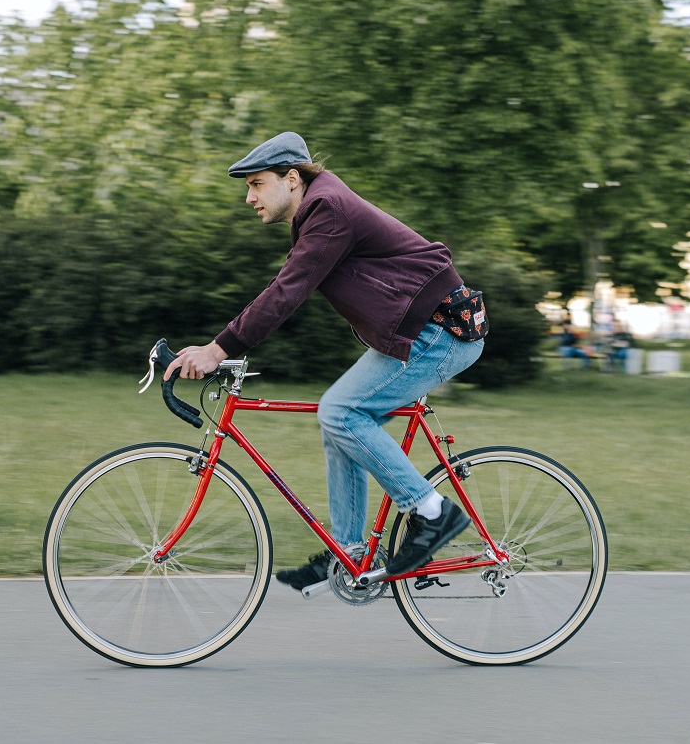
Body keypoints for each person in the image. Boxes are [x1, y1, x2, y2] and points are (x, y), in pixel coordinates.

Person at [165, 132, 486, 591]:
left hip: (440, 332)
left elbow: (287, 291)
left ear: (292, 179)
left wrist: (218, 349)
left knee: (340, 412)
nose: (249, 196)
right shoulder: (320, 210)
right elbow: (290, 288)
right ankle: (350, 555)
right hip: (419, 331)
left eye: (257, 184)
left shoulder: (327, 209)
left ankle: (431, 512)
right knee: (338, 418)